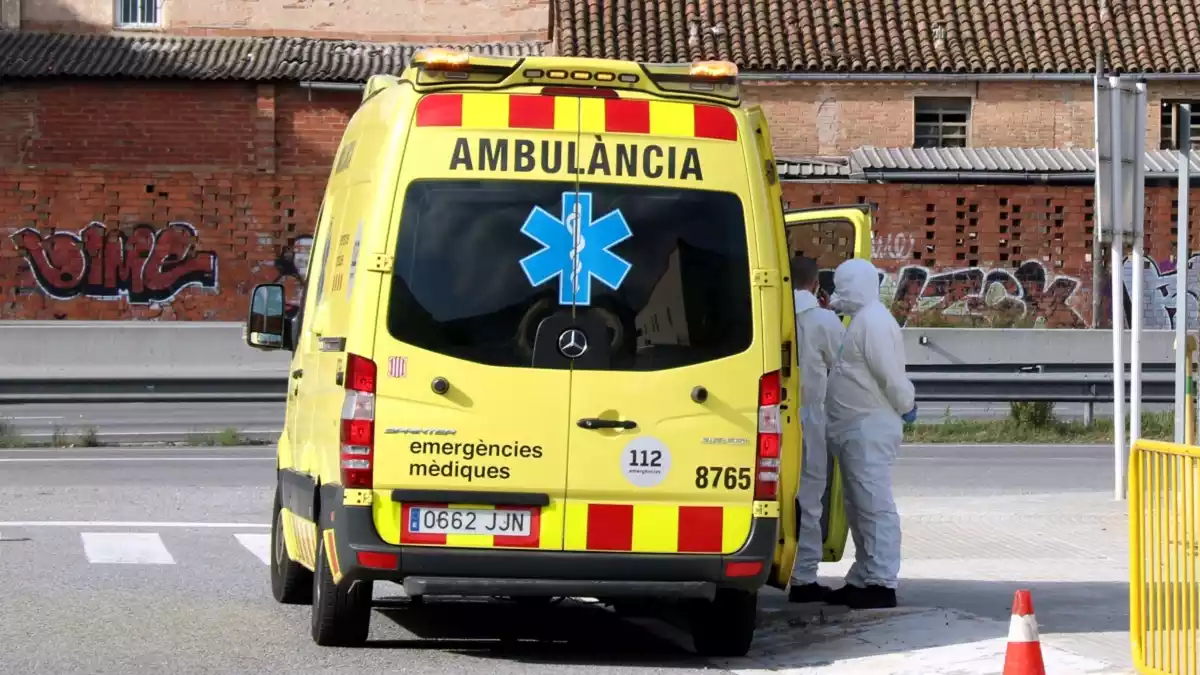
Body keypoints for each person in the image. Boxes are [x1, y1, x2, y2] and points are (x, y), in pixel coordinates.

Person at [821, 257, 917, 610]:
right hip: (854, 428)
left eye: (841, 285)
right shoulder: (860, 320)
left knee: (874, 506)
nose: (837, 292)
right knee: (859, 506)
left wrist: (906, 404)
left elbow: (890, 377)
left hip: (869, 427)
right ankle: (863, 576)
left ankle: (881, 581)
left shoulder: (874, 322)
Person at [786, 256, 845, 603]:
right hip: (807, 417)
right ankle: (803, 577)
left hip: (763, 415)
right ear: (814, 284)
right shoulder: (822, 320)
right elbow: (843, 364)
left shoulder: (764, 312)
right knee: (808, 497)